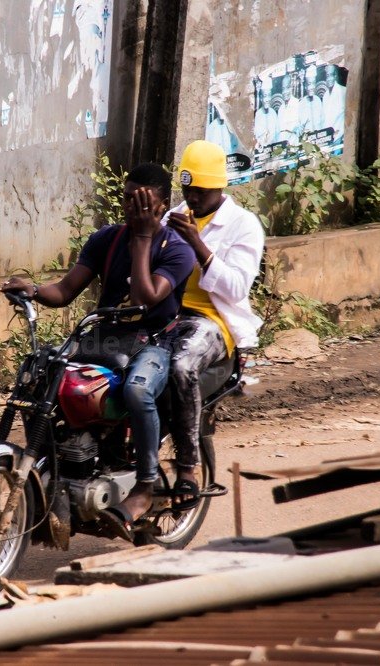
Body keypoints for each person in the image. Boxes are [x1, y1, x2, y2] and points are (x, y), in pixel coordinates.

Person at [0, 163, 195, 540]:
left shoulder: (178, 250)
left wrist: (141, 238)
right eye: (127, 199)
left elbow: (144, 298)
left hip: (153, 342)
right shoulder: (106, 239)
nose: (132, 209)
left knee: (138, 390)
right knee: (41, 379)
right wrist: (34, 290)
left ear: (162, 205)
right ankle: (55, 477)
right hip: (104, 337)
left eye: (143, 202)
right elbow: (66, 289)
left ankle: (145, 485)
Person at [164, 140, 265, 506]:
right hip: (170, 315)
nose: (192, 197)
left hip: (213, 321)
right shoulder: (173, 215)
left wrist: (198, 245)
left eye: (200, 191)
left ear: (219, 187)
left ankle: (187, 467)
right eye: (187, 189)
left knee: (181, 365)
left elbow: (237, 286)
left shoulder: (243, 225)